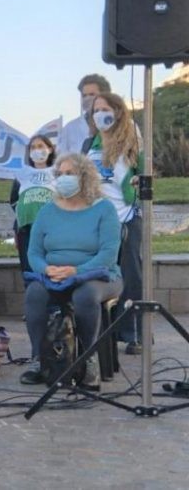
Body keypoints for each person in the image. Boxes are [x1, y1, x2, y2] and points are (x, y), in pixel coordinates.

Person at [20, 153, 122, 389]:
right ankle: (40, 359)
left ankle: (89, 361)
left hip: (99, 275)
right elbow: (33, 252)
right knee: (34, 293)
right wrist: (47, 270)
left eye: (70, 174)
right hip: (54, 275)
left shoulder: (104, 209)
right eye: (60, 174)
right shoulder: (47, 211)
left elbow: (108, 254)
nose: (64, 178)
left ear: (84, 177)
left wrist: (76, 271)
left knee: (84, 295)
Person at [84, 92, 145, 355]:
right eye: (96, 109)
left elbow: (144, 176)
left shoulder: (133, 142)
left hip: (127, 217)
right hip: (98, 220)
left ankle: (136, 334)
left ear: (118, 111)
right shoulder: (90, 144)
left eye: (105, 108)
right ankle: (105, 332)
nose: (100, 114)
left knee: (131, 275)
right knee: (102, 274)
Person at [9, 135, 57, 284]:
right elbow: (13, 200)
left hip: (50, 228)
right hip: (26, 228)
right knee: (28, 266)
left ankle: (53, 304)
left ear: (50, 149)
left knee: (50, 265)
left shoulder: (57, 172)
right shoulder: (22, 174)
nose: (37, 150)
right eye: (33, 147)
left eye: (41, 146)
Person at [57, 74, 111, 156]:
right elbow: (61, 160)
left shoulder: (125, 126)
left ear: (105, 96)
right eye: (84, 96)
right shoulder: (70, 128)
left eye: (92, 94)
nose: (87, 99)